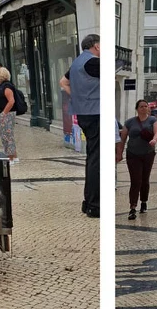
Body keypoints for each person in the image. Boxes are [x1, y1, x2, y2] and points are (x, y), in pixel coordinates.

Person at [59, 34, 100, 219]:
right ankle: (94, 205)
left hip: (83, 113)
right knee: (97, 160)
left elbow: (63, 82)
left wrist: (77, 97)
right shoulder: (93, 62)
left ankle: (89, 202)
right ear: (97, 46)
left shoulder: (77, 62)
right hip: (95, 113)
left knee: (93, 157)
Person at [120, 99, 157, 219]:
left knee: (144, 179)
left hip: (148, 153)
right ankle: (132, 207)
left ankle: (144, 201)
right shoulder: (130, 122)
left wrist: (154, 140)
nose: (143, 108)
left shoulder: (153, 120)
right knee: (135, 180)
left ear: (148, 108)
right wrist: (119, 153)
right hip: (133, 154)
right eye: (141, 106)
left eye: (145, 106)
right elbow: (123, 138)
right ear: (137, 109)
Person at [0, 67, 19, 165]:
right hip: (1, 114)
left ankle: (10, 157)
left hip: (6, 114)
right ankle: (13, 155)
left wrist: (3, 113)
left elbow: (11, 101)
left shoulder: (6, 87)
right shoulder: (0, 86)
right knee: (5, 136)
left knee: (7, 136)